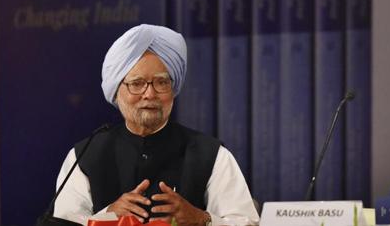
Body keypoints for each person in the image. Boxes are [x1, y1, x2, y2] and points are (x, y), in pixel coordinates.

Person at [53, 24, 259, 226]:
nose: (150, 94)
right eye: (137, 83)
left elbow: (247, 222)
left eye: (161, 83)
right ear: (116, 91)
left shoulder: (210, 154)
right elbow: (60, 223)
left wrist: (201, 219)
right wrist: (108, 216)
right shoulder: (86, 155)